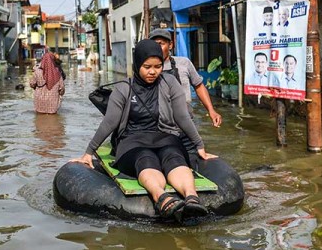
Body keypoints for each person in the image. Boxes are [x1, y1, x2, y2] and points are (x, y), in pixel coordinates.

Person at [70, 40, 217, 222]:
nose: (153, 72)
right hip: (132, 141)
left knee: (173, 155)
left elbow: (182, 117)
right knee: (146, 157)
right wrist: (89, 152)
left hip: (165, 137)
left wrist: (199, 145)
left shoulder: (169, 83)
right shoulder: (124, 88)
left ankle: (192, 198)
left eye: (157, 66)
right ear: (137, 64)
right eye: (147, 67)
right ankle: (161, 198)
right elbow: (110, 122)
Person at [148, 29, 222, 128]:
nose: (156, 48)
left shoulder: (184, 63)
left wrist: (211, 110)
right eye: (153, 45)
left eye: (161, 44)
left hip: (185, 121)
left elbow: (199, 86)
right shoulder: (147, 68)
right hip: (158, 123)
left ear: (170, 45)